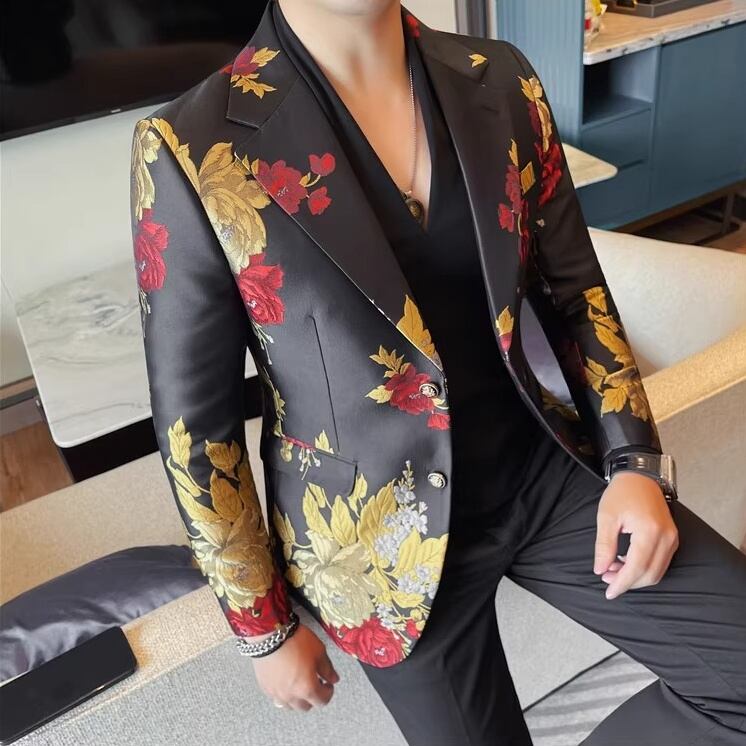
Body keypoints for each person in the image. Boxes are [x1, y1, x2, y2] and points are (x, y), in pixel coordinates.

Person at [129, 1, 746, 743]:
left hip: (539, 471)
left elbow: (575, 291)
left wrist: (634, 461)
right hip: (375, 536)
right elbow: (196, 428)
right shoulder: (190, 145)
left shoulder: (499, 78)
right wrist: (261, 624)